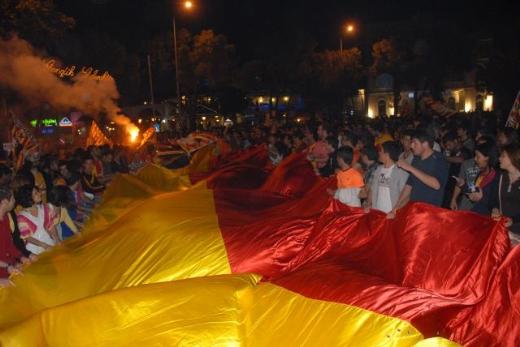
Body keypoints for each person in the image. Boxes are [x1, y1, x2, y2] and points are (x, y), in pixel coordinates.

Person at [389, 128, 449, 217]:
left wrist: (410, 168)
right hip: (414, 210)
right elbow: (409, 186)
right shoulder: (416, 159)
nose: (411, 146)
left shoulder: (439, 159)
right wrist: (396, 207)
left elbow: (436, 184)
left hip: (430, 213)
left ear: (425, 144)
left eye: (415, 143)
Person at [15, 185, 59, 255]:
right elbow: (27, 237)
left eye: (38, 192)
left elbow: (51, 226)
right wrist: (44, 245)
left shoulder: (45, 208)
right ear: (29, 197)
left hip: (48, 243)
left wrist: (57, 241)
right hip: (34, 250)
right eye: (36, 193)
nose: (40, 193)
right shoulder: (22, 216)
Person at [0, 186, 30, 287]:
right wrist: (7, 266)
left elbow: (8, 245)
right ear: (4, 201)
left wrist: (20, 257)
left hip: (9, 271)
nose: (15, 201)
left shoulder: (5, 218)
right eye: (12, 198)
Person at [368, 141, 409, 213]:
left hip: (392, 214)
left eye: (381, 151)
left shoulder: (401, 172)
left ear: (386, 154)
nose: (379, 153)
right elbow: (372, 189)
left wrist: (395, 211)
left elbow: (405, 197)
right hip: (377, 212)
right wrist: (369, 204)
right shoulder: (378, 170)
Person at [492, 144, 520, 243]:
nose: (499, 158)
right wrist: (494, 208)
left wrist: (513, 220)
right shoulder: (500, 177)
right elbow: (494, 199)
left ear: (513, 158)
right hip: (502, 229)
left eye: (503, 156)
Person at [463, 142, 499, 215]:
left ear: (487, 157)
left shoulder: (496, 178)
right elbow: (473, 192)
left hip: (485, 219)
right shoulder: (480, 173)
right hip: (475, 214)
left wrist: (481, 198)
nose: (475, 159)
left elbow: (495, 203)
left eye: (478, 156)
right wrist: (463, 185)